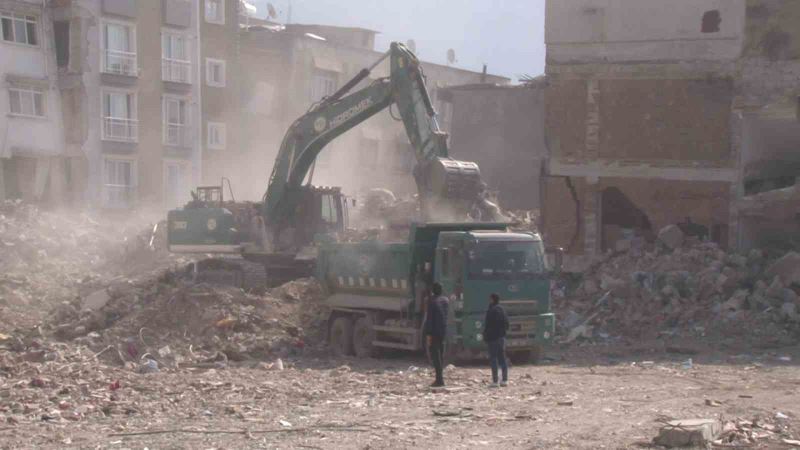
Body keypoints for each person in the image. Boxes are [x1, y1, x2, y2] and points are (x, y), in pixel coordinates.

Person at [423, 282, 448, 387]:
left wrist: (428, 334)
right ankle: (440, 378)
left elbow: (429, 319)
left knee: (435, 355)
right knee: (440, 355)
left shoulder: (432, 302)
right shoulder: (445, 301)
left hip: (434, 331)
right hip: (443, 331)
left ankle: (439, 380)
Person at [484, 293, 509, 387]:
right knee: (502, 358)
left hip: (492, 339)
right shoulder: (502, 310)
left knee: (494, 359)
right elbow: (507, 324)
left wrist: (486, 336)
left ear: (492, 300)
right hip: (501, 338)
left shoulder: (491, 310)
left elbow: (488, 325)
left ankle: (495, 381)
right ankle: (505, 380)